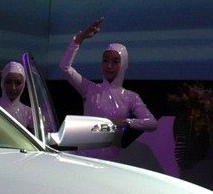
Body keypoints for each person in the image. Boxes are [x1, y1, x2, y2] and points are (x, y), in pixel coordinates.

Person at [59, 16, 157, 145]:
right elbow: (65, 67)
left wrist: (126, 122)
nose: (109, 66)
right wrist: (78, 39)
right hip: (85, 155)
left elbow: (151, 123)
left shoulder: (130, 97)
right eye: (105, 60)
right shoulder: (89, 89)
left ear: (124, 64)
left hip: (112, 155)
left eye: (115, 61)